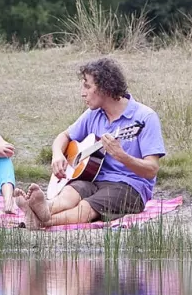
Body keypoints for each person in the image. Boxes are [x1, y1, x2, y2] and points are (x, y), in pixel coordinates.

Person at [24, 58, 166, 229]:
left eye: (87, 86)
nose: (82, 93)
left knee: (86, 207)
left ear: (105, 88)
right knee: (70, 193)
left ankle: (41, 220)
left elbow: (152, 170)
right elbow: (63, 136)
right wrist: (57, 155)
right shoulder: (94, 114)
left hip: (130, 186)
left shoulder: (145, 118)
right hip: (94, 180)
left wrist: (121, 156)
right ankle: (45, 207)